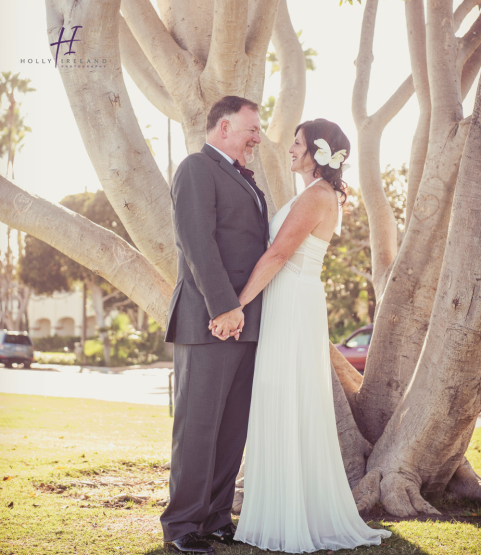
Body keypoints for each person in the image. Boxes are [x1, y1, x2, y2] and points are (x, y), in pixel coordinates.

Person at [211, 118, 392, 552]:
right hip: (292, 300)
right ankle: (280, 506)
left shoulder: (316, 196)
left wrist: (236, 304)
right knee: (281, 396)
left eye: (296, 143)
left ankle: (290, 514)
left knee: (286, 396)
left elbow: (277, 254)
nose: (289, 149)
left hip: (292, 301)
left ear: (316, 151)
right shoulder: (316, 194)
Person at [161, 95, 269, 554]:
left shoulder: (244, 177)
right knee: (199, 426)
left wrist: (243, 314)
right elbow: (196, 244)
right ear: (224, 127)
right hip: (210, 322)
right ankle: (182, 525)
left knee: (231, 427)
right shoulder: (195, 169)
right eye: (251, 129)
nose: (257, 137)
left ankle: (216, 517)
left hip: (247, 323)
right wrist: (224, 308)